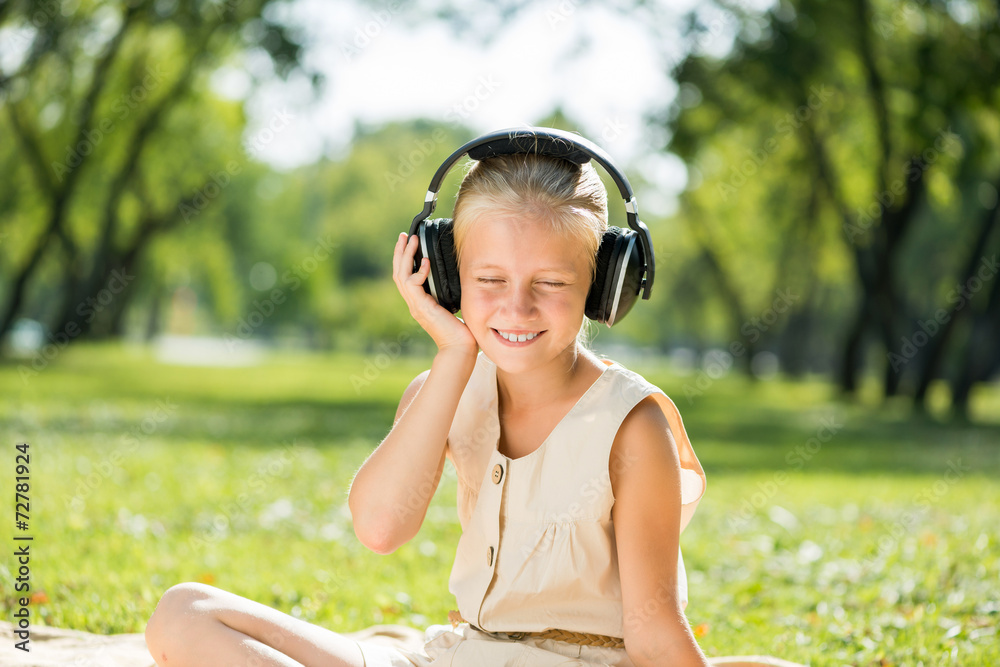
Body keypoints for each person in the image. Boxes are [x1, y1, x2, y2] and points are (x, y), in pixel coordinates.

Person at [144, 129, 805, 667]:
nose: (516, 306)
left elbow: (655, 632)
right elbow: (379, 528)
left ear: (606, 286)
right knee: (185, 612)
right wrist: (454, 354)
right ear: (450, 274)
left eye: (550, 280)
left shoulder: (632, 427)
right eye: (489, 278)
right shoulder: (449, 389)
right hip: (457, 656)